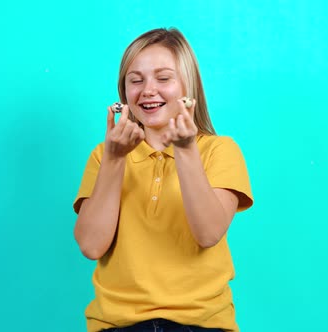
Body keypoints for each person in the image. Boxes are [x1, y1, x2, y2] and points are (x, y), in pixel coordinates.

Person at [73, 27, 254, 332]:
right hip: (118, 325)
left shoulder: (220, 151)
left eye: (163, 78)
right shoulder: (103, 156)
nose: (148, 90)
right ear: (124, 91)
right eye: (136, 80)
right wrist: (115, 159)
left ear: (188, 86)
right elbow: (91, 246)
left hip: (200, 324)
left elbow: (208, 233)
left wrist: (185, 151)